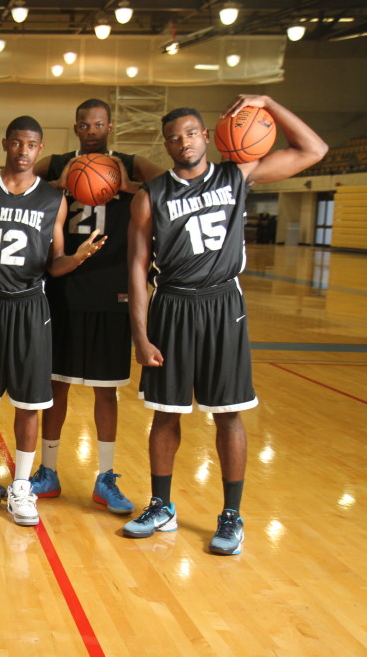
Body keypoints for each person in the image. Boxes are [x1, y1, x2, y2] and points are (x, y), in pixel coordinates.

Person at [125, 96, 326, 554]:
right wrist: (140, 334)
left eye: (191, 133)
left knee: (229, 413)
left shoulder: (237, 174)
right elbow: (137, 268)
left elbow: (313, 150)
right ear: (167, 145)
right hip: (172, 304)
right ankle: (161, 505)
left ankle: (231, 515)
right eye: (174, 137)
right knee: (166, 412)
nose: (184, 142)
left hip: (222, 304)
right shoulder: (150, 196)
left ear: (206, 136)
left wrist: (270, 103)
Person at [0, 116, 105, 526]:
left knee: (29, 402)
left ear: (40, 148)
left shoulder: (53, 199)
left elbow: (54, 264)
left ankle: (20, 485)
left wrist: (77, 258)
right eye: (16, 143)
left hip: (30, 305)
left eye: (31, 145)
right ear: (5, 143)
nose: (22, 151)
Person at [30, 98, 162, 515]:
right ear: (75, 127)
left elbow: (173, 183)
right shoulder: (57, 164)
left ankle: (105, 477)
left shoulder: (129, 161)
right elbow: (14, 178)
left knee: (107, 391)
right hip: (64, 283)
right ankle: (47, 471)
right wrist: (52, 188)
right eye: (85, 124)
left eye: (99, 124)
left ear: (110, 126)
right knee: (56, 385)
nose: (91, 130)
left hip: (113, 288)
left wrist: (129, 187)